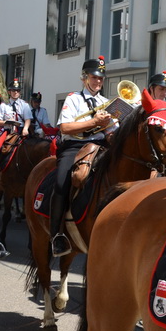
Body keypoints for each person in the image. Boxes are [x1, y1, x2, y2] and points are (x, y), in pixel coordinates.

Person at [50, 56, 113, 257]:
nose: (98, 81)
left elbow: (111, 132)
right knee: (61, 183)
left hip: (100, 146)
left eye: (101, 78)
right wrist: (94, 122)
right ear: (84, 78)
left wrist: (113, 132)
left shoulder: (106, 103)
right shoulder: (73, 98)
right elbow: (65, 128)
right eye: (94, 77)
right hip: (75, 146)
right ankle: (56, 234)